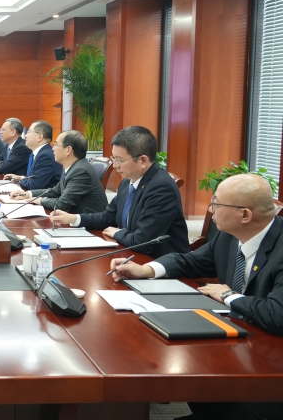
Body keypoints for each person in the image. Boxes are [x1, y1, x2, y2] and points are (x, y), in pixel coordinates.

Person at [110, 174, 283, 419]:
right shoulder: (228, 236)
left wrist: (228, 295)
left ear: (245, 215)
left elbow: (277, 315)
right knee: (190, 371)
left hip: (271, 369)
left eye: (217, 203)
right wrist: (146, 270)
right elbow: (190, 261)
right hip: (237, 342)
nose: (210, 210)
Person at [50, 126, 188, 259]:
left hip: (158, 263)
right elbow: (107, 217)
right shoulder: (128, 181)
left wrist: (118, 233)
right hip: (130, 254)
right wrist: (74, 218)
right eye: (114, 158)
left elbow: (143, 241)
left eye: (119, 160)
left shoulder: (161, 188)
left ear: (143, 160)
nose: (115, 165)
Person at [14, 130, 107, 214]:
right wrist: (28, 194)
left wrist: (40, 200)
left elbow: (62, 204)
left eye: (56, 144)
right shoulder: (72, 166)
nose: (52, 148)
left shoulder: (81, 171)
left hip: (87, 225)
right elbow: (55, 191)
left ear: (68, 150)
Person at [5, 120, 62, 191]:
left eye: (29, 132)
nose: (25, 135)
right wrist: (21, 178)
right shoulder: (37, 153)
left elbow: (35, 185)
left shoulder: (46, 156)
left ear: (39, 137)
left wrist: (20, 181)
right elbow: (35, 178)